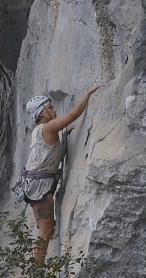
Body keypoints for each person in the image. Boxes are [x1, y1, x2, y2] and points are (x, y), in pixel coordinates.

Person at [22, 84, 103, 263]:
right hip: (39, 185)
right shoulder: (48, 127)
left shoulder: (39, 131)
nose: (54, 109)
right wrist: (88, 94)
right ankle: (37, 271)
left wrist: (64, 134)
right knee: (46, 230)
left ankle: (37, 267)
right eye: (49, 107)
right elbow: (73, 115)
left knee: (45, 229)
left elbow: (48, 148)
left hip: (34, 183)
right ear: (41, 114)